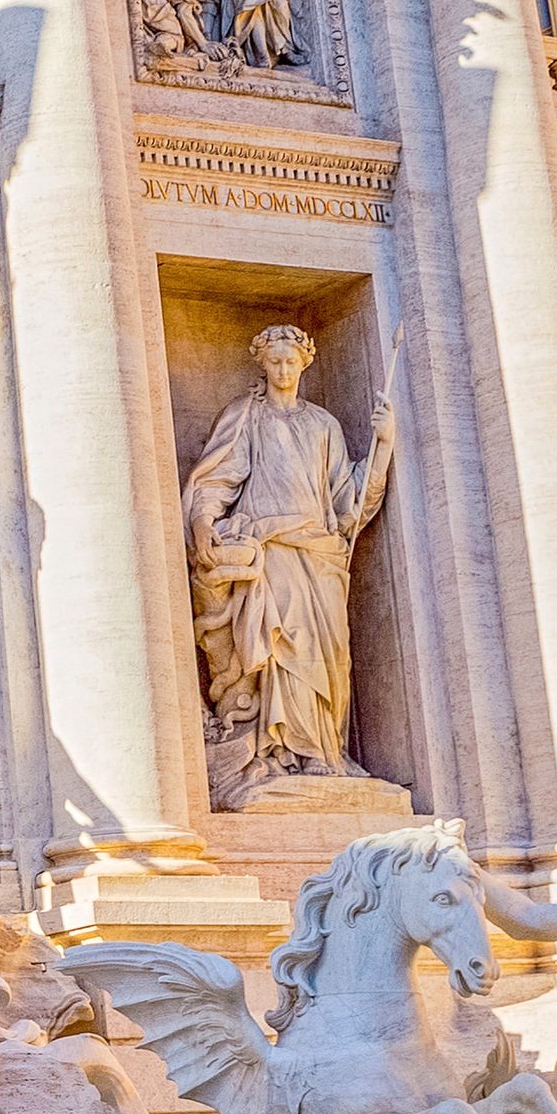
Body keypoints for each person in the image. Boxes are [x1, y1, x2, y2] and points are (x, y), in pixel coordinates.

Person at [182, 324, 395, 792]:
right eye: (275, 362)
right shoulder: (245, 417)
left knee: (327, 652)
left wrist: (382, 447)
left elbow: (348, 502)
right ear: (262, 364)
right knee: (281, 646)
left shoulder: (323, 425)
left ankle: (323, 749)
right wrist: (202, 521)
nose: (282, 370)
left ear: (305, 364)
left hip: (319, 554)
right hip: (272, 549)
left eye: (290, 362)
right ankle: (279, 750)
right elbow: (217, 480)